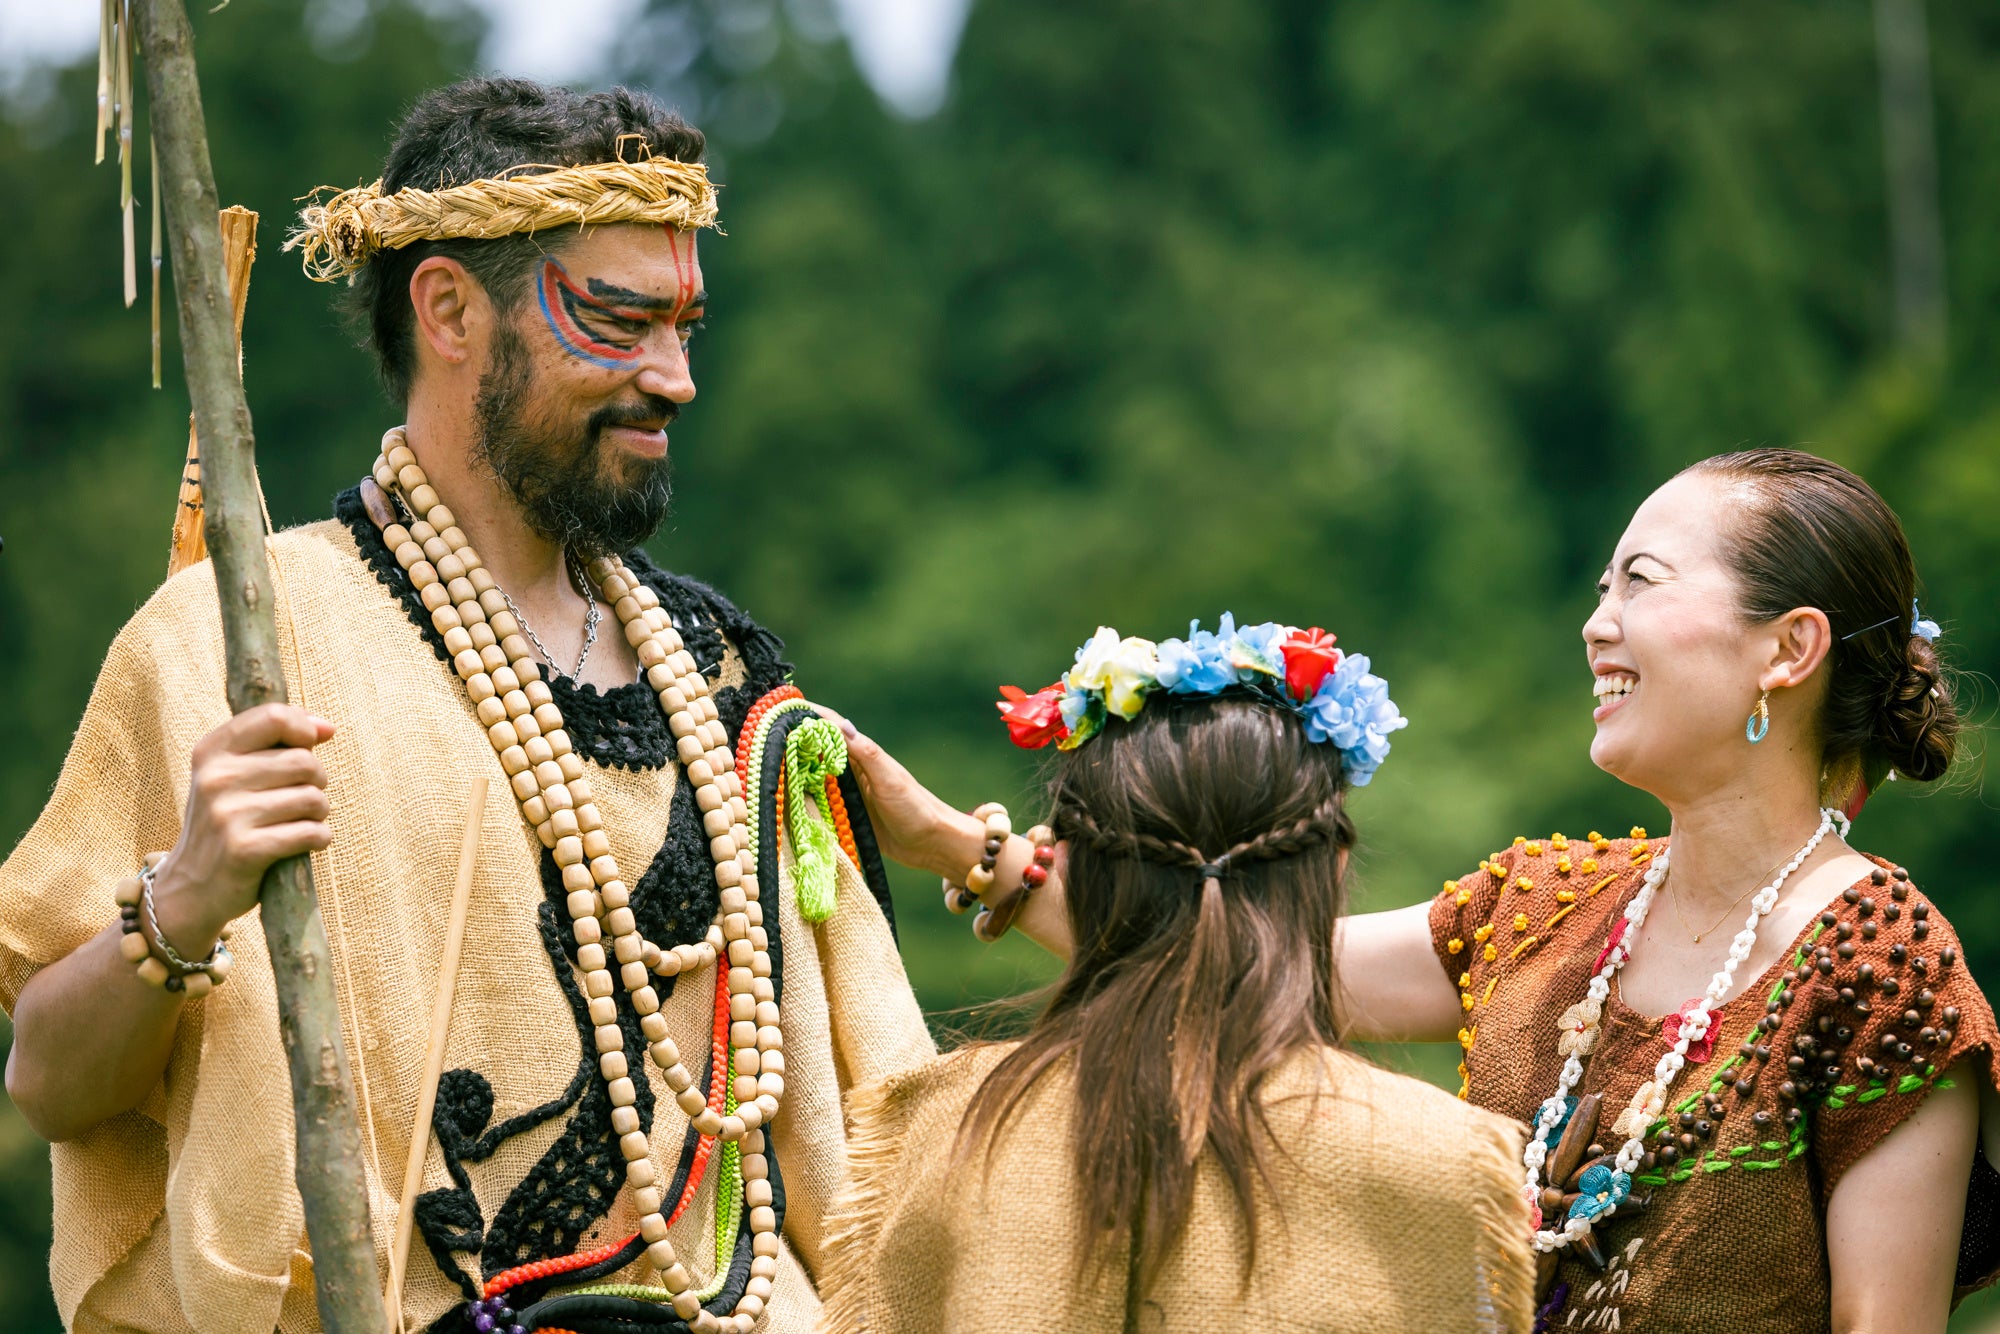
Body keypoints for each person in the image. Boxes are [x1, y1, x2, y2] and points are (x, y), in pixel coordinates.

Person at [0, 78, 932, 1333]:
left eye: (685, 328)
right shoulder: (239, 640)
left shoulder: (720, 673)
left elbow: (873, 1130)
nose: (673, 378)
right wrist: (188, 896)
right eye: (621, 320)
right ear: (448, 309)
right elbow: (51, 1083)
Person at [840, 450, 1997, 1333]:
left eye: (1638, 583)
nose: (1595, 623)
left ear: (1787, 649)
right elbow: (1218, 948)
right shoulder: (1542, 902)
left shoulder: (1881, 963)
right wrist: (953, 843)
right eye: (1598, 586)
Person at [816, 617, 1535, 1333]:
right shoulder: (1445, 1163)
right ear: (1335, 865)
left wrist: (956, 845)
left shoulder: (940, 1135)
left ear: (1064, 858)